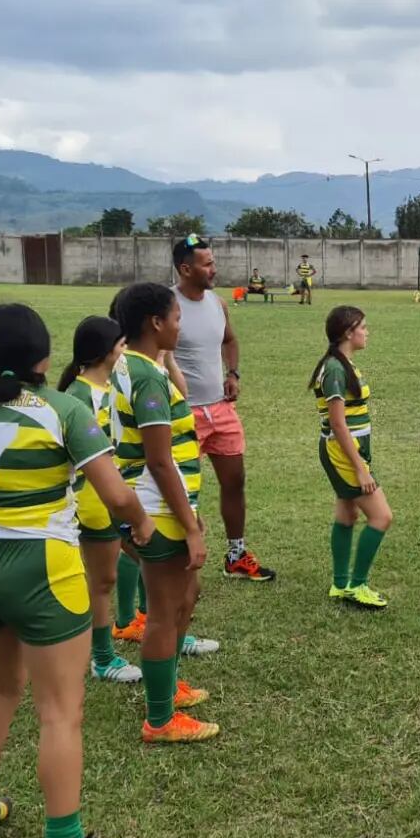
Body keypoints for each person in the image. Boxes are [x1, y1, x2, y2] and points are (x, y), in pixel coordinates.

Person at [0, 302, 146, 838]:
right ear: (44, 356)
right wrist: (142, 527)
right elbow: (118, 495)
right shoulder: (64, 409)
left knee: (1, 684)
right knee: (60, 712)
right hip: (43, 562)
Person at [114, 282, 219, 744]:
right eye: (176, 318)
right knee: (163, 610)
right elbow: (159, 460)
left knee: (186, 594)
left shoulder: (138, 366)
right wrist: (191, 526)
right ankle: (160, 718)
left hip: (162, 507)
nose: (181, 324)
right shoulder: (146, 378)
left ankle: (167, 683)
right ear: (155, 323)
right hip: (156, 510)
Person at [171, 234, 276, 582]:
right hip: (183, 415)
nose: (214, 269)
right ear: (186, 269)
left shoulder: (217, 303)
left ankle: (236, 554)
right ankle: (178, 560)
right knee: (183, 492)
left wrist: (233, 373)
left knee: (235, 481)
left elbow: (229, 340)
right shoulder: (165, 305)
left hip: (221, 409)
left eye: (213, 262)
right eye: (207, 264)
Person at [57, 316, 141, 684]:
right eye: (122, 346)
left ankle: (128, 631)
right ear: (107, 351)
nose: (126, 353)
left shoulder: (109, 387)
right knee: (102, 581)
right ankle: (102, 657)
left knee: (113, 573)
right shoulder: (78, 397)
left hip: (113, 493)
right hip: (94, 501)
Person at [312, 306, 393, 608]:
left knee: (347, 515)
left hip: (350, 452)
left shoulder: (342, 364)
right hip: (343, 454)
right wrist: (361, 468)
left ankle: (339, 583)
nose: (366, 332)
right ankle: (357, 585)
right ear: (348, 332)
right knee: (382, 517)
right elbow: (337, 423)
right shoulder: (334, 368)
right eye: (363, 327)